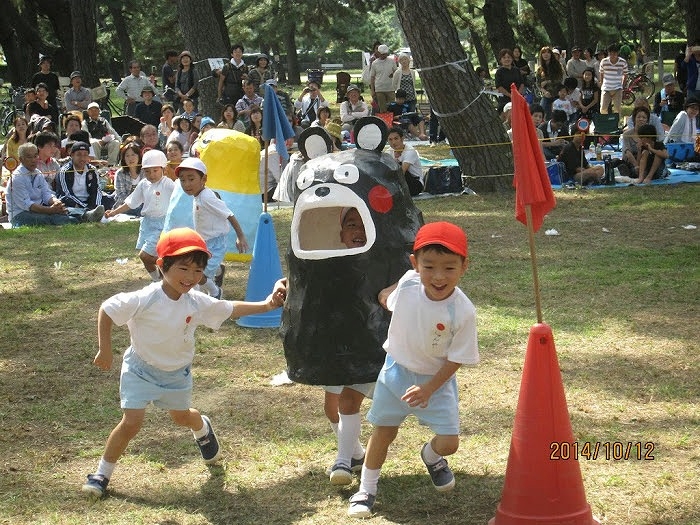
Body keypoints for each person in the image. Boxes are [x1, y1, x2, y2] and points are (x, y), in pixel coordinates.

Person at [81, 227, 285, 499]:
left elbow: (230, 308)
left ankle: (202, 428)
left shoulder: (196, 302)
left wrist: (267, 304)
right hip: (140, 370)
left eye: (198, 271)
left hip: (176, 374)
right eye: (183, 268)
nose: (191, 277)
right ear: (161, 265)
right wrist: (105, 350)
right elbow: (107, 309)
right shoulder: (145, 298)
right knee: (131, 423)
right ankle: (101, 474)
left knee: (181, 417)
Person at [347, 221, 479, 519]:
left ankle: (431, 456)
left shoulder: (463, 311)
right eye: (429, 266)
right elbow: (389, 296)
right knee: (384, 432)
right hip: (395, 373)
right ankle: (366, 489)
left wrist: (429, 388)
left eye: (449, 268)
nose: (438, 276)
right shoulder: (408, 283)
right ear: (415, 264)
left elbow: (457, 358)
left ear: (464, 267)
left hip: (436, 382)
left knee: (450, 443)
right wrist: (387, 294)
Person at [324, 208, 374, 485]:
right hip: (337, 346)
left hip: (366, 347)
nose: (359, 231)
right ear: (342, 234)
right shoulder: (330, 263)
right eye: (352, 225)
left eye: (364, 224)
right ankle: (354, 454)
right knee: (331, 408)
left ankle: (342, 461)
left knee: (349, 401)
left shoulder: (380, 261)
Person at [176, 157, 250, 298]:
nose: (186, 184)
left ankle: (216, 292)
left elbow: (229, 214)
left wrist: (240, 236)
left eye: (191, 179)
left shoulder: (206, 197)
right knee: (199, 270)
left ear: (203, 179)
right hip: (204, 242)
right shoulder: (198, 195)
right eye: (182, 180)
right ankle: (218, 271)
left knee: (199, 274)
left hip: (216, 243)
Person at [106, 149, 176, 279]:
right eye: (147, 171)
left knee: (145, 255)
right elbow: (131, 202)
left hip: (162, 225)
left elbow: (181, 197)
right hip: (147, 224)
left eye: (155, 170)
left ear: (163, 169)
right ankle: (158, 280)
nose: (151, 174)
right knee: (146, 258)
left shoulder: (167, 184)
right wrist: (114, 212)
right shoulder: (144, 184)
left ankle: (170, 267)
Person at [6, 143, 102, 227]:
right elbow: (27, 205)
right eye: (29, 157)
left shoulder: (37, 173)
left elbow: (46, 193)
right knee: (50, 218)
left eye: (35, 156)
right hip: (20, 214)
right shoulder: (17, 178)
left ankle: (87, 214)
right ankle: (82, 219)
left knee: (64, 210)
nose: (33, 160)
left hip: (39, 208)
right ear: (21, 159)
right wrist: (50, 210)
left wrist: (56, 203)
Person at [55, 142, 110, 215]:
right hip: (73, 202)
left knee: (109, 199)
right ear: (72, 155)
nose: (82, 158)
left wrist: (94, 206)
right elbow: (67, 194)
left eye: (85, 155)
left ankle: (92, 212)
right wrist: (86, 207)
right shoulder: (64, 171)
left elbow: (96, 190)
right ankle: (87, 213)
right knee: (66, 201)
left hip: (88, 201)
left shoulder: (92, 169)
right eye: (79, 155)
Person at [387, 126, 424, 196]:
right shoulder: (389, 152)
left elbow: (402, 172)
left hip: (415, 184)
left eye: (396, 138)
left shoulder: (410, 151)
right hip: (400, 183)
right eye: (390, 140)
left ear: (402, 139)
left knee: (398, 168)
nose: (393, 142)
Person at [111, 142, 143, 212]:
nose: (130, 158)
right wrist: (133, 204)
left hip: (143, 205)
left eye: (133, 155)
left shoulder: (145, 171)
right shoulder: (120, 173)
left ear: (139, 156)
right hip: (124, 206)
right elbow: (121, 195)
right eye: (127, 156)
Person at [536, 46, 565, 119]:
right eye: (543, 53)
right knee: (541, 112)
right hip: (546, 95)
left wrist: (547, 81)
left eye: (548, 53)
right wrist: (544, 91)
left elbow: (560, 79)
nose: (546, 54)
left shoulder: (558, 65)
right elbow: (538, 84)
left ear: (551, 54)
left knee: (557, 116)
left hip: (557, 95)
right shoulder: (540, 69)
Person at [599, 43, 627, 115]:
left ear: (617, 53)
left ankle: (616, 121)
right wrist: (602, 84)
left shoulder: (623, 62)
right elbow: (601, 73)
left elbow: (625, 74)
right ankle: (604, 121)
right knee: (603, 108)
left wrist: (622, 85)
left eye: (614, 53)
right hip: (606, 87)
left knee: (617, 109)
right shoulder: (604, 62)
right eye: (610, 53)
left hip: (617, 87)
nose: (612, 55)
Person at [494, 48, 525, 114]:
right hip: (505, 99)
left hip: (518, 98)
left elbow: (522, 83)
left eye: (508, 57)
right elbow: (499, 86)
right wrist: (510, 95)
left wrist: (518, 94)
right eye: (504, 57)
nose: (506, 59)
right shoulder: (499, 72)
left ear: (512, 58)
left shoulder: (516, 70)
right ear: (500, 60)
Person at [370, 44, 397, 113]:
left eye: (385, 54)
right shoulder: (375, 63)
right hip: (379, 89)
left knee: (392, 108)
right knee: (382, 109)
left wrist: (393, 74)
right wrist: (372, 90)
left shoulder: (392, 61)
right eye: (382, 54)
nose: (383, 56)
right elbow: (372, 77)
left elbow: (396, 72)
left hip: (390, 88)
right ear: (378, 53)